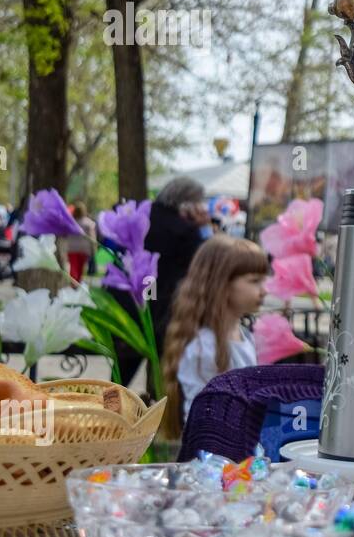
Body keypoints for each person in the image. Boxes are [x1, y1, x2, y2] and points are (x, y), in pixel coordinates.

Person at [160, 236, 270, 440]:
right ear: (222, 284)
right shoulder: (204, 347)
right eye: (255, 281)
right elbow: (204, 420)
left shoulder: (243, 336)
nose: (265, 290)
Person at [115, 177, 212, 386]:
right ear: (189, 203)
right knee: (160, 379)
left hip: (128, 304)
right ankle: (153, 414)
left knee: (119, 379)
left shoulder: (142, 214)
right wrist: (203, 228)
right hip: (164, 311)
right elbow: (204, 263)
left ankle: (106, 415)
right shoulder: (185, 230)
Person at [62, 202, 98, 283]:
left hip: (71, 248)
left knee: (73, 266)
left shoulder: (71, 223)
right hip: (83, 249)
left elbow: (65, 235)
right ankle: (78, 282)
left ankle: (73, 283)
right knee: (80, 268)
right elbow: (92, 238)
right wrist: (94, 249)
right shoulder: (88, 223)